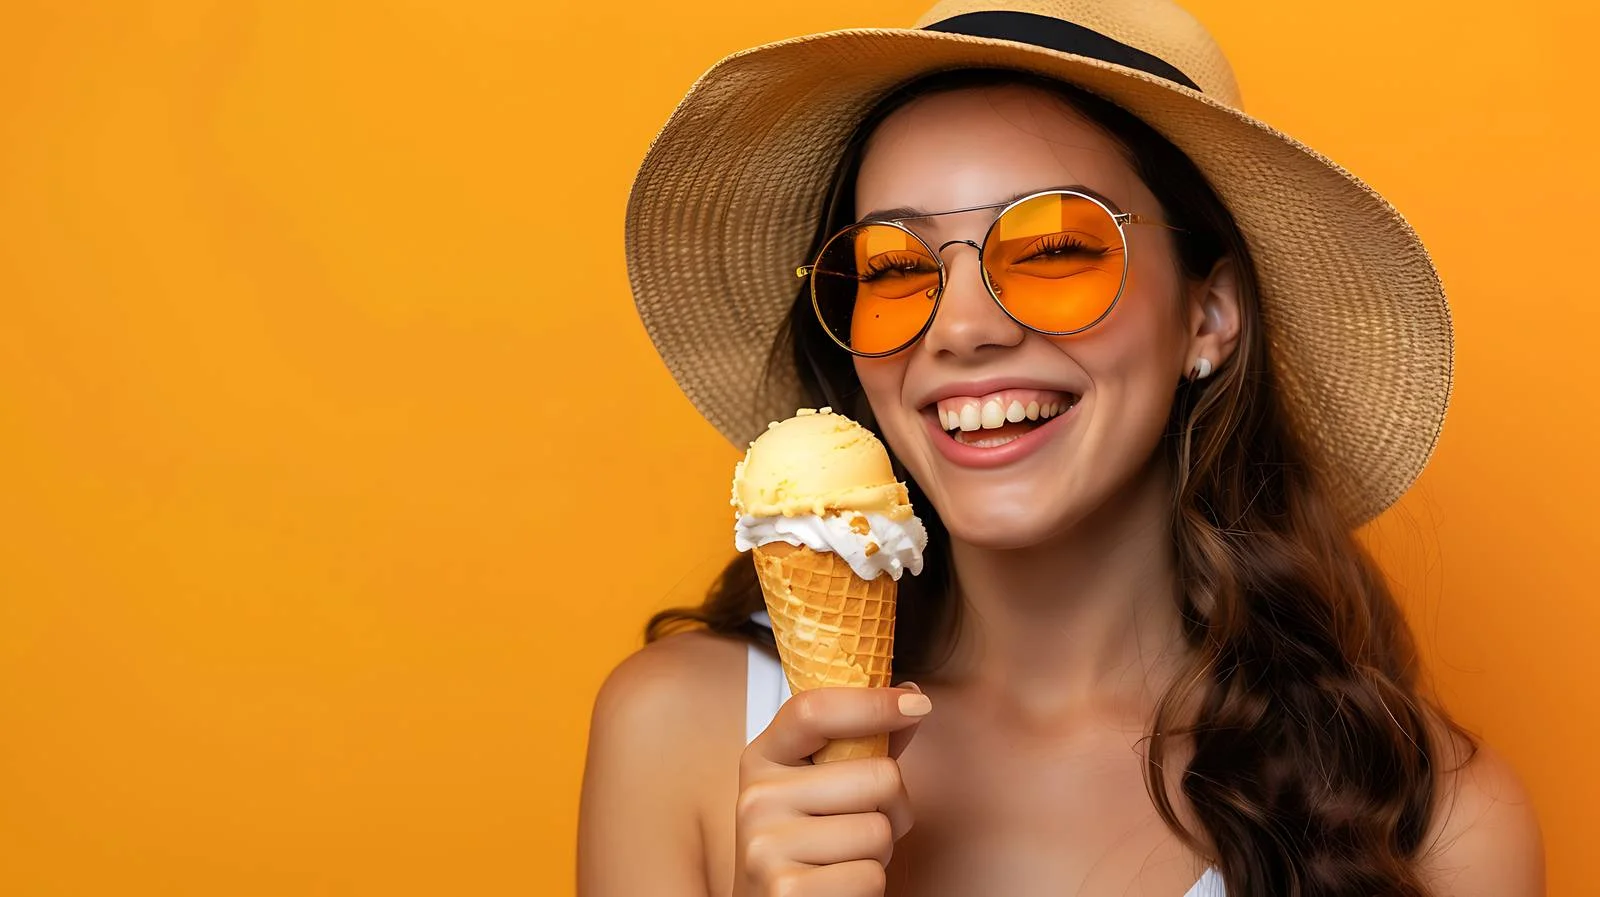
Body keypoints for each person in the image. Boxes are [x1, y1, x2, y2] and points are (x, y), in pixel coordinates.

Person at [579, 2, 1545, 895]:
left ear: (1208, 316)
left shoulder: (1443, 830)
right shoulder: (681, 734)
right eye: (893, 266)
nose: (957, 328)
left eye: (1052, 251)